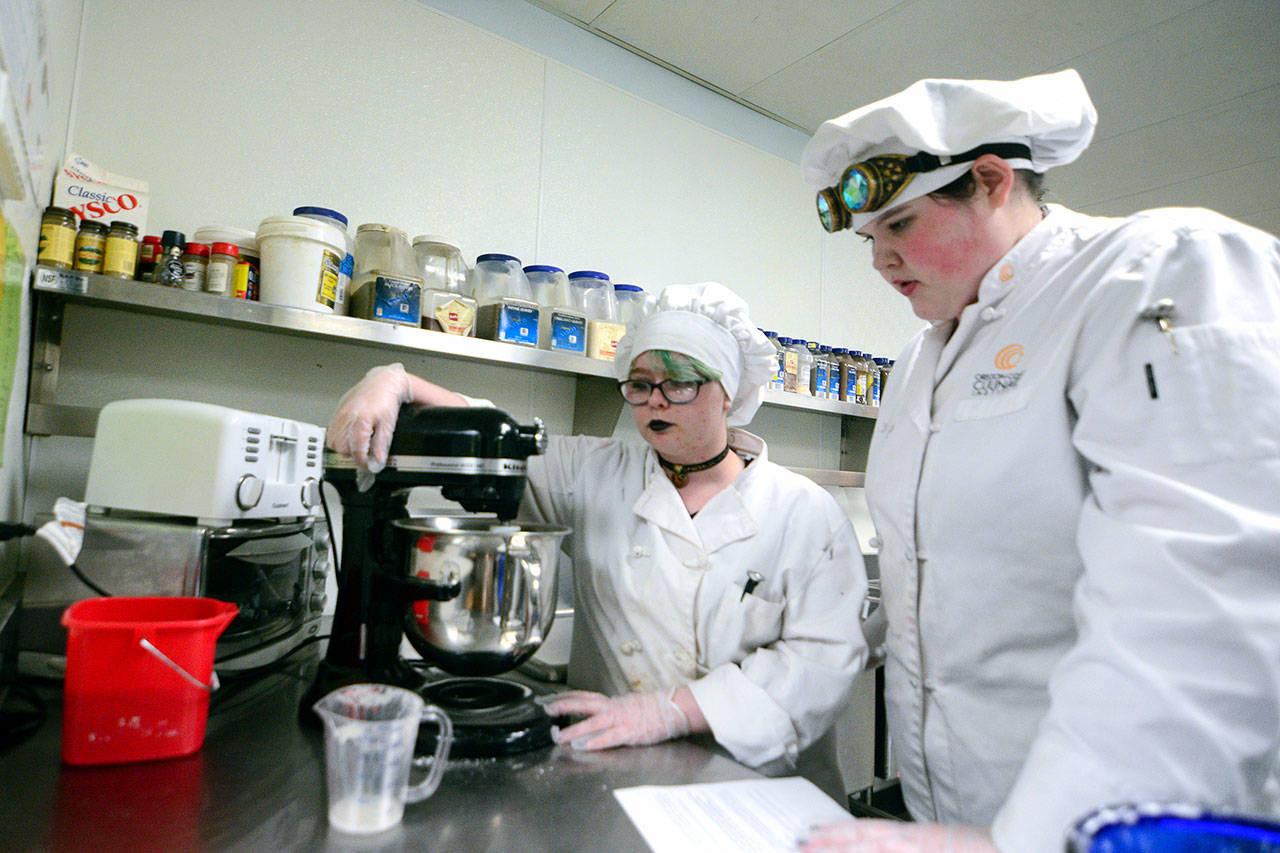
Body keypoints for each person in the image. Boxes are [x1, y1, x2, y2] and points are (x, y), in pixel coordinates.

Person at [794, 69, 1280, 852]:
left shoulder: (1153, 272)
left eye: (901, 225)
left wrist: (1027, 840)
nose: (881, 260)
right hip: (947, 809)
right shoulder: (924, 358)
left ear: (990, 180)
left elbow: (1209, 592)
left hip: (1116, 821)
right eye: (870, 239)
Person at [326, 282, 870, 797]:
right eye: (639, 384)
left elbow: (820, 662)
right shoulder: (595, 471)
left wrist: (671, 711)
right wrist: (393, 380)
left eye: (679, 383)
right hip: (612, 768)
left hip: (758, 791)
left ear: (727, 393)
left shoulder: (805, 512)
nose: (654, 401)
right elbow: (492, 431)